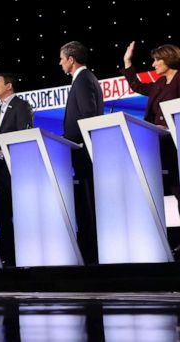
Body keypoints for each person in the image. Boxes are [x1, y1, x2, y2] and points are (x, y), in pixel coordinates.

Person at [121, 41, 180, 252]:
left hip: (177, 146)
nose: (153, 64)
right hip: (158, 145)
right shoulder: (159, 84)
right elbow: (137, 86)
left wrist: (169, 124)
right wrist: (127, 63)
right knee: (172, 191)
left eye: (157, 60)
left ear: (169, 59)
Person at [0, 73, 34, 265]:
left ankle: (24, 254)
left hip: (17, 168)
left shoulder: (21, 106)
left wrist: (6, 152)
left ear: (9, 86)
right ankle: (9, 255)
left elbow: (24, 135)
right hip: (1, 171)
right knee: (2, 212)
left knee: (18, 211)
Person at [60, 41, 104, 263]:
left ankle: (91, 251)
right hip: (80, 149)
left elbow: (87, 115)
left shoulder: (84, 79)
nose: (60, 63)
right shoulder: (83, 79)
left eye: (61, 58)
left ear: (71, 59)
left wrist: (67, 141)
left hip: (83, 149)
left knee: (88, 201)